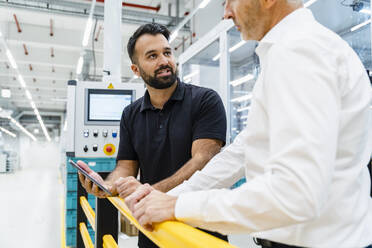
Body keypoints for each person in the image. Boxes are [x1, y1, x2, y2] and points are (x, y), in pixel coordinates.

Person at [125, 0, 372, 247]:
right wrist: (168, 196)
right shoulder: (288, 51)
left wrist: (179, 206)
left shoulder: (300, 51)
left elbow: (296, 193)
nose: (225, 13)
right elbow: (242, 152)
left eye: (229, 0)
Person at [77, 23, 228, 247]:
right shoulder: (131, 114)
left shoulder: (205, 100)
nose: (164, 61)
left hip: (201, 231)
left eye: (167, 52)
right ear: (136, 70)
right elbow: (126, 167)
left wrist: (148, 192)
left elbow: (202, 160)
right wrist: (108, 186)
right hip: (152, 231)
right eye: (152, 56)